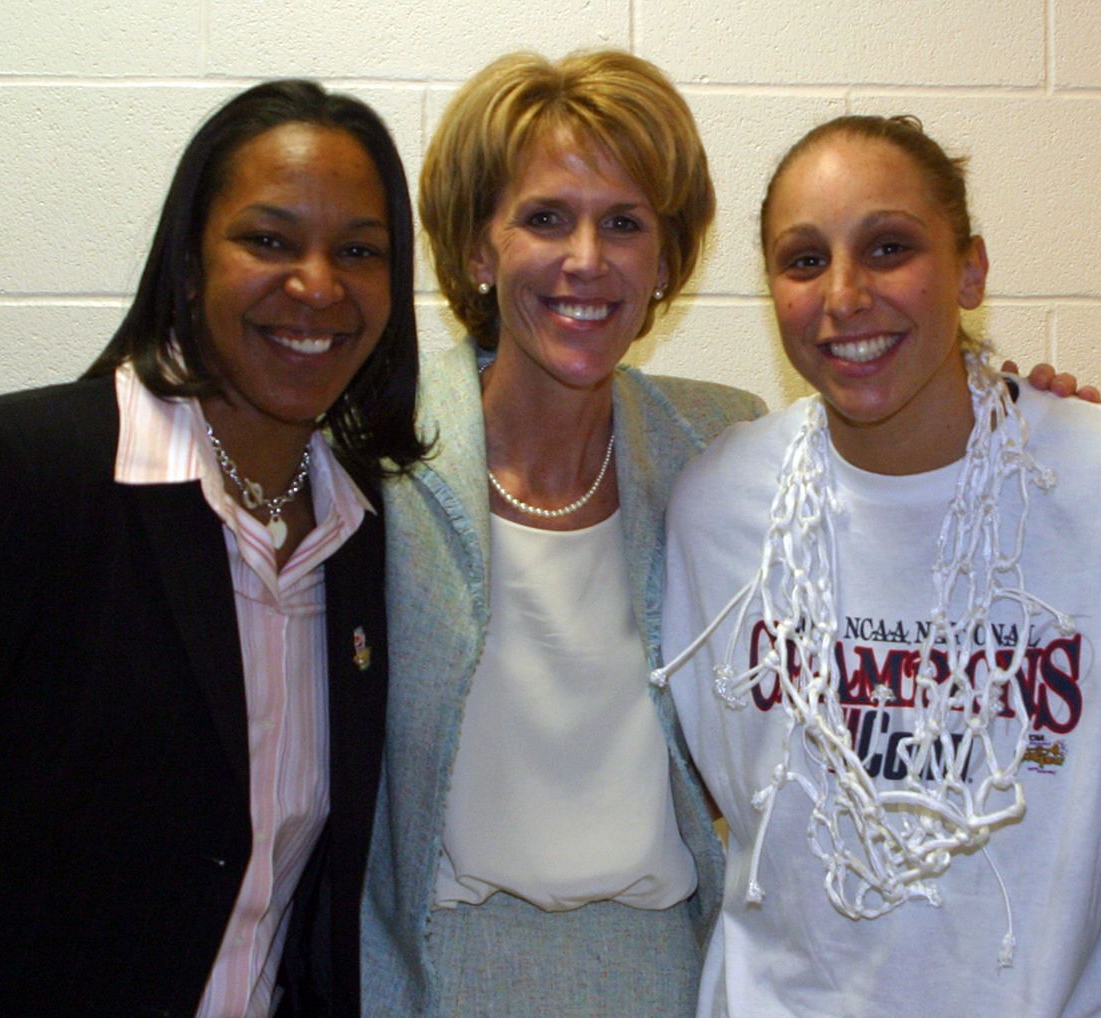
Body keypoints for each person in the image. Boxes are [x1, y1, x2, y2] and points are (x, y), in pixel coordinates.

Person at [0, 80, 427, 1015]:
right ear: (187, 262)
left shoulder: (364, 540)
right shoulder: (13, 478)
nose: (317, 284)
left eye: (359, 251)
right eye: (267, 240)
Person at [660, 114, 1101, 1015]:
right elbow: (733, 798)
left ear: (971, 271)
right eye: (804, 260)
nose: (843, 295)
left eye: (887, 248)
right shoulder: (718, 505)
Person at [357, 51, 764, 1015]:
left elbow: (904, 480)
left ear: (665, 261)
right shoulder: (374, 457)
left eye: (624, 223)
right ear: (477, 251)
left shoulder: (725, 445)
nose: (588, 258)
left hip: (669, 969)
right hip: (434, 971)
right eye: (545, 218)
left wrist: (1031, 419)